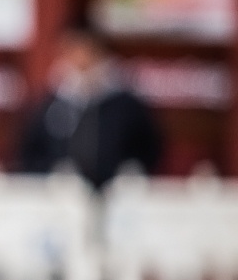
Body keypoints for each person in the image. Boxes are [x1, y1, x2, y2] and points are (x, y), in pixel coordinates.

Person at [17, 27, 161, 189]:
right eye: (72, 52)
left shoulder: (126, 103)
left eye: (87, 51)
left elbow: (150, 148)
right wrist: (51, 173)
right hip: (62, 198)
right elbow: (29, 152)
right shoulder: (51, 103)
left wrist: (132, 170)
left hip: (115, 195)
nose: (81, 59)